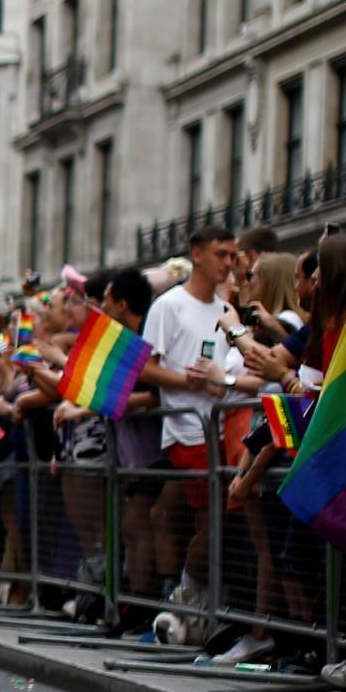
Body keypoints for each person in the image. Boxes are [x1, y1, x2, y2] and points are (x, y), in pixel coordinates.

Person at [138, 226, 241, 626]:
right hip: (187, 428)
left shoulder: (226, 308)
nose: (228, 263)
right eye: (221, 254)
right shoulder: (168, 306)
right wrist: (189, 382)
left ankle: (200, 606)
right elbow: (147, 367)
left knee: (213, 519)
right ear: (197, 255)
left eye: (232, 255)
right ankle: (188, 598)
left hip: (226, 426)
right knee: (217, 517)